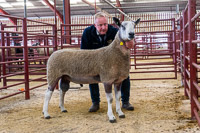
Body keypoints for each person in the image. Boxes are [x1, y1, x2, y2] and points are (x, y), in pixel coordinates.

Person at [81, 12, 134, 112]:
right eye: (100, 25)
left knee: (124, 76)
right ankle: (95, 102)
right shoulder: (87, 33)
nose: (103, 28)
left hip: (113, 62)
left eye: (105, 24)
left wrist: (128, 43)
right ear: (95, 25)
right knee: (92, 77)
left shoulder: (114, 31)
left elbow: (122, 42)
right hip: (95, 62)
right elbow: (83, 51)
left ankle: (125, 101)